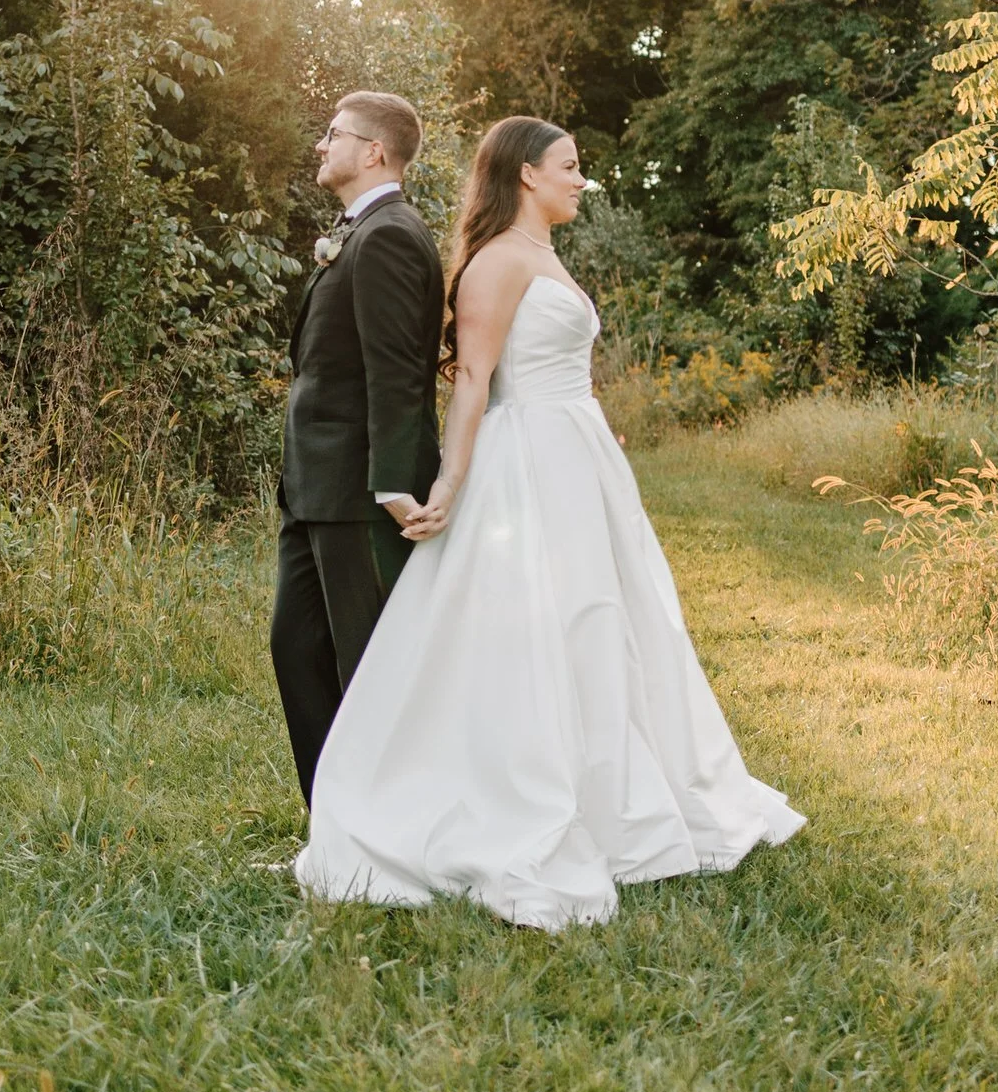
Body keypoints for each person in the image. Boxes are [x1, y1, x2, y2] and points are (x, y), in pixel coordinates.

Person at [296, 115, 805, 930]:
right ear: (526, 174)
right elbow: (472, 383)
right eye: (569, 166)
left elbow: (562, 365)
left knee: (608, 620)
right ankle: (526, 795)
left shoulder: (544, 253)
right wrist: (450, 484)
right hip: (525, 463)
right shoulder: (496, 262)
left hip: (578, 458)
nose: (581, 179)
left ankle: (621, 796)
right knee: (538, 629)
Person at [270, 91, 444, 808]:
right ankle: (336, 829)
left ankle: (392, 829)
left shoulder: (391, 235)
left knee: (370, 667)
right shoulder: (359, 230)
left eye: (333, 134)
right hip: (314, 488)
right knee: (298, 651)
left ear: (374, 150)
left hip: (360, 495)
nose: (320, 145)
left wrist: (392, 484)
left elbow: (398, 371)